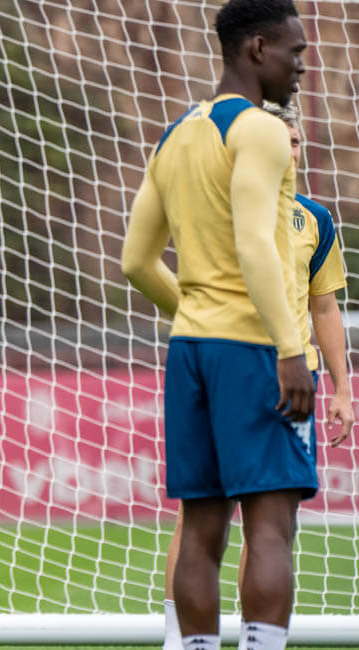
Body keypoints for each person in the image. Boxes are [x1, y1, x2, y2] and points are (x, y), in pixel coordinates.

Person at [121, 1, 318, 648]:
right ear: (257, 49)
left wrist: (195, 312)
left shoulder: (176, 133)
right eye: (294, 52)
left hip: (191, 350)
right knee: (270, 527)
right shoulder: (260, 130)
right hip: (254, 347)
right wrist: (289, 347)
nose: (301, 67)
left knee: (201, 529)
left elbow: (136, 261)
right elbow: (255, 243)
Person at [157, 101, 354, 649]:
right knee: (202, 513)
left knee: (268, 519)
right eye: (280, 141)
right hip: (232, 365)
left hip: (293, 376)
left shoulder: (315, 220)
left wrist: (342, 388)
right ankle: (179, 638)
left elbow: (324, 306)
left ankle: (253, 639)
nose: (289, 150)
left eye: (296, 141)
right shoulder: (222, 207)